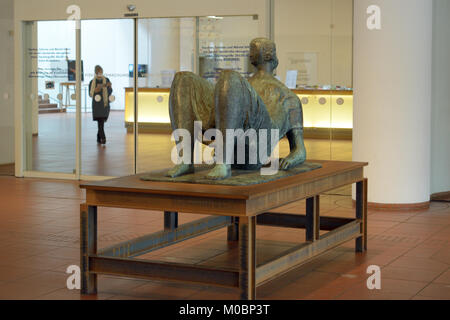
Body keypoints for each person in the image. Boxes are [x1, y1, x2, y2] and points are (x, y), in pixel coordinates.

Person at [167, 37, 306, 180]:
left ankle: (223, 162)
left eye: (257, 49)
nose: (252, 52)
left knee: (230, 77)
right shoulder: (241, 85)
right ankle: (185, 160)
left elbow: (300, 150)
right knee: (183, 79)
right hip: (231, 136)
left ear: (269, 55)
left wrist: (291, 160)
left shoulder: (289, 98)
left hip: (256, 144)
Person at [89, 65, 112, 144]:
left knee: (101, 122)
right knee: (100, 121)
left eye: (101, 72)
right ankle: (103, 138)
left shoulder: (106, 80)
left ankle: (98, 137)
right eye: (99, 72)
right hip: (97, 105)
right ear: (95, 72)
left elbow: (110, 91)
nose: (100, 73)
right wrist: (96, 89)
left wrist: (109, 86)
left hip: (105, 104)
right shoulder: (92, 82)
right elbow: (90, 94)